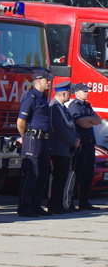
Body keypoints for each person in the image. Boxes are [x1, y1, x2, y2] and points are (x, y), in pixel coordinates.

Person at [16, 69, 53, 217]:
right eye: (47, 80)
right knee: (31, 173)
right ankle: (24, 206)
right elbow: (21, 121)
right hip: (33, 139)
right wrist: (25, 136)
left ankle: (35, 205)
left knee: (43, 173)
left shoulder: (43, 98)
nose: (49, 82)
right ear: (38, 81)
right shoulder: (31, 97)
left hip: (43, 139)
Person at [68, 82, 101, 211]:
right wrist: (89, 120)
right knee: (77, 172)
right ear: (77, 93)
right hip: (80, 143)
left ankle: (84, 202)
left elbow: (98, 120)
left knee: (88, 173)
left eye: (87, 91)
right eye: (84, 91)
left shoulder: (87, 105)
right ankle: (70, 201)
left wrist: (88, 119)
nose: (87, 93)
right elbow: (83, 124)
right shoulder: (74, 106)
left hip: (90, 143)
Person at [48, 81, 79, 214]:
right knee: (57, 178)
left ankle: (59, 204)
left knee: (62, 178)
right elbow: (58, 128)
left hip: (66, 148)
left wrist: (76, 138)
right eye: (69, 93)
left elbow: (70, 126)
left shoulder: (63, 108)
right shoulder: (54, 107)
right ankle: (54, 205)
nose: (70, 95)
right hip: (58, 148)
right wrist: (73, 141)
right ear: (64, 93)